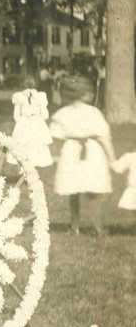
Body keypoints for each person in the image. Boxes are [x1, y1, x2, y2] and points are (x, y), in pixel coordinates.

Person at [50, 74, 115, 235]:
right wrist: (111, 157)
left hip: (71, 151)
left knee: (74, 191)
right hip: (92, 151)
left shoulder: (62, 114)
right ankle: (97, 227)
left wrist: (57, 156)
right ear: (85, 94)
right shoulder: (94, 112)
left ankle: (75, 226)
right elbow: (103, 137)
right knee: (93, 192)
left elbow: (56, 137)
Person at [9, 74, 53, 168]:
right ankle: (33, 168)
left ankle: (25, 169)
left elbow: (16, 115)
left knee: (23, 145)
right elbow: (45, 115)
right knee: (36, 145)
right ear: (35, 84)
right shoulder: (41, 96)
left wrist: (22, 122)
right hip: (37, 122)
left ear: (22, 84)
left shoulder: (18, 96)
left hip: (23, 123)